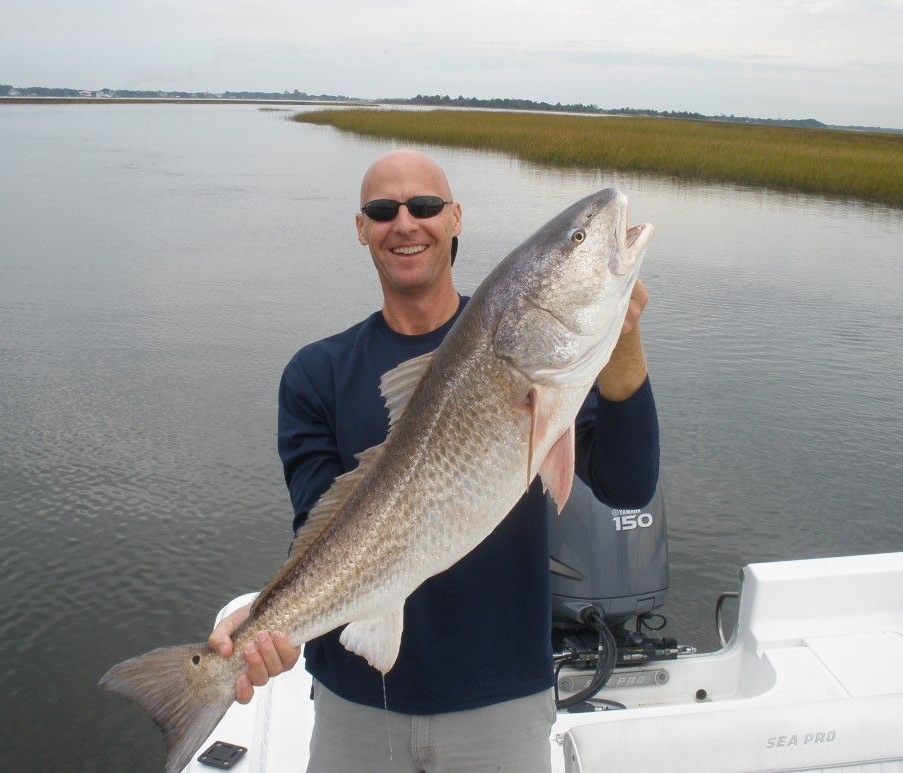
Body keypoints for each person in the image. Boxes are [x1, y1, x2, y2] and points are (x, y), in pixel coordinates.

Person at [209, 149, 660, 772]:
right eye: (383, 210)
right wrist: (269, 617)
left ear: (454, 219)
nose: (406, 223)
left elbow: (628, 485)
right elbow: (323, 527)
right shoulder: (317, 373)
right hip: (357, 704)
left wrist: (623, 339)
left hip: (502, 699)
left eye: (424, 207)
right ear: (361, 228)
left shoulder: (544, 364)